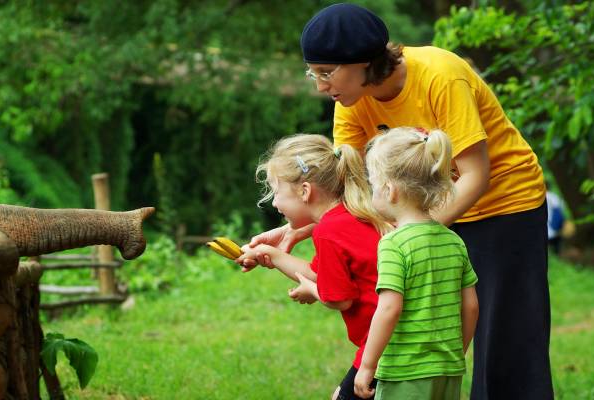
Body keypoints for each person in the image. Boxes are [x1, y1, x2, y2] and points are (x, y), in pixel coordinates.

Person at [247, 3, 553, 399]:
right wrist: (296, 229)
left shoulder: (440, 75)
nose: (321, 87)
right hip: (425, 211)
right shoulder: (349, 103)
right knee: (408, 322)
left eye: (326, 73)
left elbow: (476, 174)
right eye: (314, 73)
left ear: (363, 62)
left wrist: (411, 231)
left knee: (505, 341)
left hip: (504, 205)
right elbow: (348, 191)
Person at [236, 133, 387, 400]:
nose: (274, 202)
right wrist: (269, 253)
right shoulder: (348, 216)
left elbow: (340, 299)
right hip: (389, 335)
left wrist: (312, 290)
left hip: (383, 343)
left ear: (305, 191)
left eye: (277, 192)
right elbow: (323, 275)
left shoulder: (328, 230)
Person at [352, 127, 479, 399]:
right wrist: (457, 352)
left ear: (389, 190)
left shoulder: (393, 244)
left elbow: (389, 309)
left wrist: (367, 365)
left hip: (405, 372)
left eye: (373, 185)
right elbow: (470, 306)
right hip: (448, 370)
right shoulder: (454, 241)